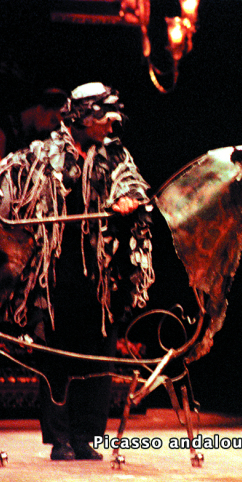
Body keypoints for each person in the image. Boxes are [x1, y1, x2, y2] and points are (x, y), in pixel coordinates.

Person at [0, 82, 154, 461]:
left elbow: (131, 183)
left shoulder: (114, 155)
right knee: (57, 357)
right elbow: (9, 177)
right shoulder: (43, 154)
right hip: (56, 274)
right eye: (105, 117)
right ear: (83, 117)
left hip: (100, 276)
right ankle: (61, 438)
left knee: (96, 356)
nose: (112, 124)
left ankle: (86, 435)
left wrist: (127, 200)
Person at [0, 87, 68, 158]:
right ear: (41, 109)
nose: (51, 128)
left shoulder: (27, 136)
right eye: (53, 120)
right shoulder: (4, 127)